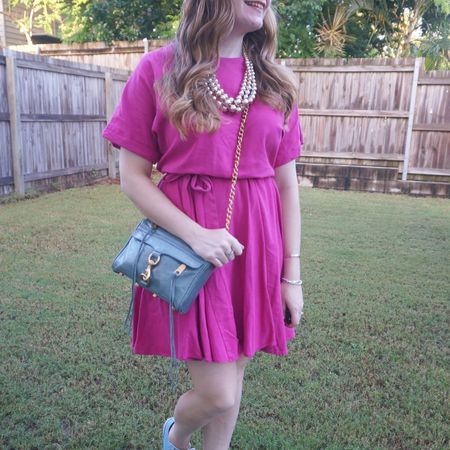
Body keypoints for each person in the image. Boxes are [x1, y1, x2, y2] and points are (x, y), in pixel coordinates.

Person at [102, 0, 304, 449]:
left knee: (235, 369)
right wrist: (196, 236)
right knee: (217, 392)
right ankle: (175, 437)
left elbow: (287, 187)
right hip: (189, 250)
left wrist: (292, 275)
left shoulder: (274, 80)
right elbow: (132, 178)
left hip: (256, 247)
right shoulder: (159, 69)